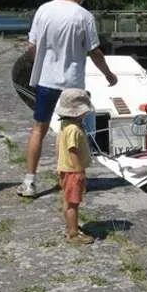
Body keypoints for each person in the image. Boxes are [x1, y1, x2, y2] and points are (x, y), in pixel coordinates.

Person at [17, 0, 118, 198]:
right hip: (72, 84)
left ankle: (29, 182)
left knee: (39, 129)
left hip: (46, 81)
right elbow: (94, 51)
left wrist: (41, 66)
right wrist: (109, 75)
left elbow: (31, 46)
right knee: (73, 131)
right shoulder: (84, 16)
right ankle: (72, 179)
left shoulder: (44, 10)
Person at [55, 88, 95, 244]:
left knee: (67, 200)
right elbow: (73, 150)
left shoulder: (65, 124)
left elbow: (58, 146)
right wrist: (79, 172)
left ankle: (70, 227)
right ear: (79, 112)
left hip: (65, 168)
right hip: (73, 170)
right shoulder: (74, 129)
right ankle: (73, 234)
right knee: (73, 203)